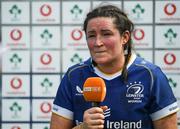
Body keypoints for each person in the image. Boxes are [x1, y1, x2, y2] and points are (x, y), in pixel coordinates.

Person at [50, 4, 179, 129]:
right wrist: (83, 128)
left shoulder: (151, 75)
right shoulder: (74, 76)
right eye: (91, 35)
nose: (97, 42)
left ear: (125, 37)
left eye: (106, 34)